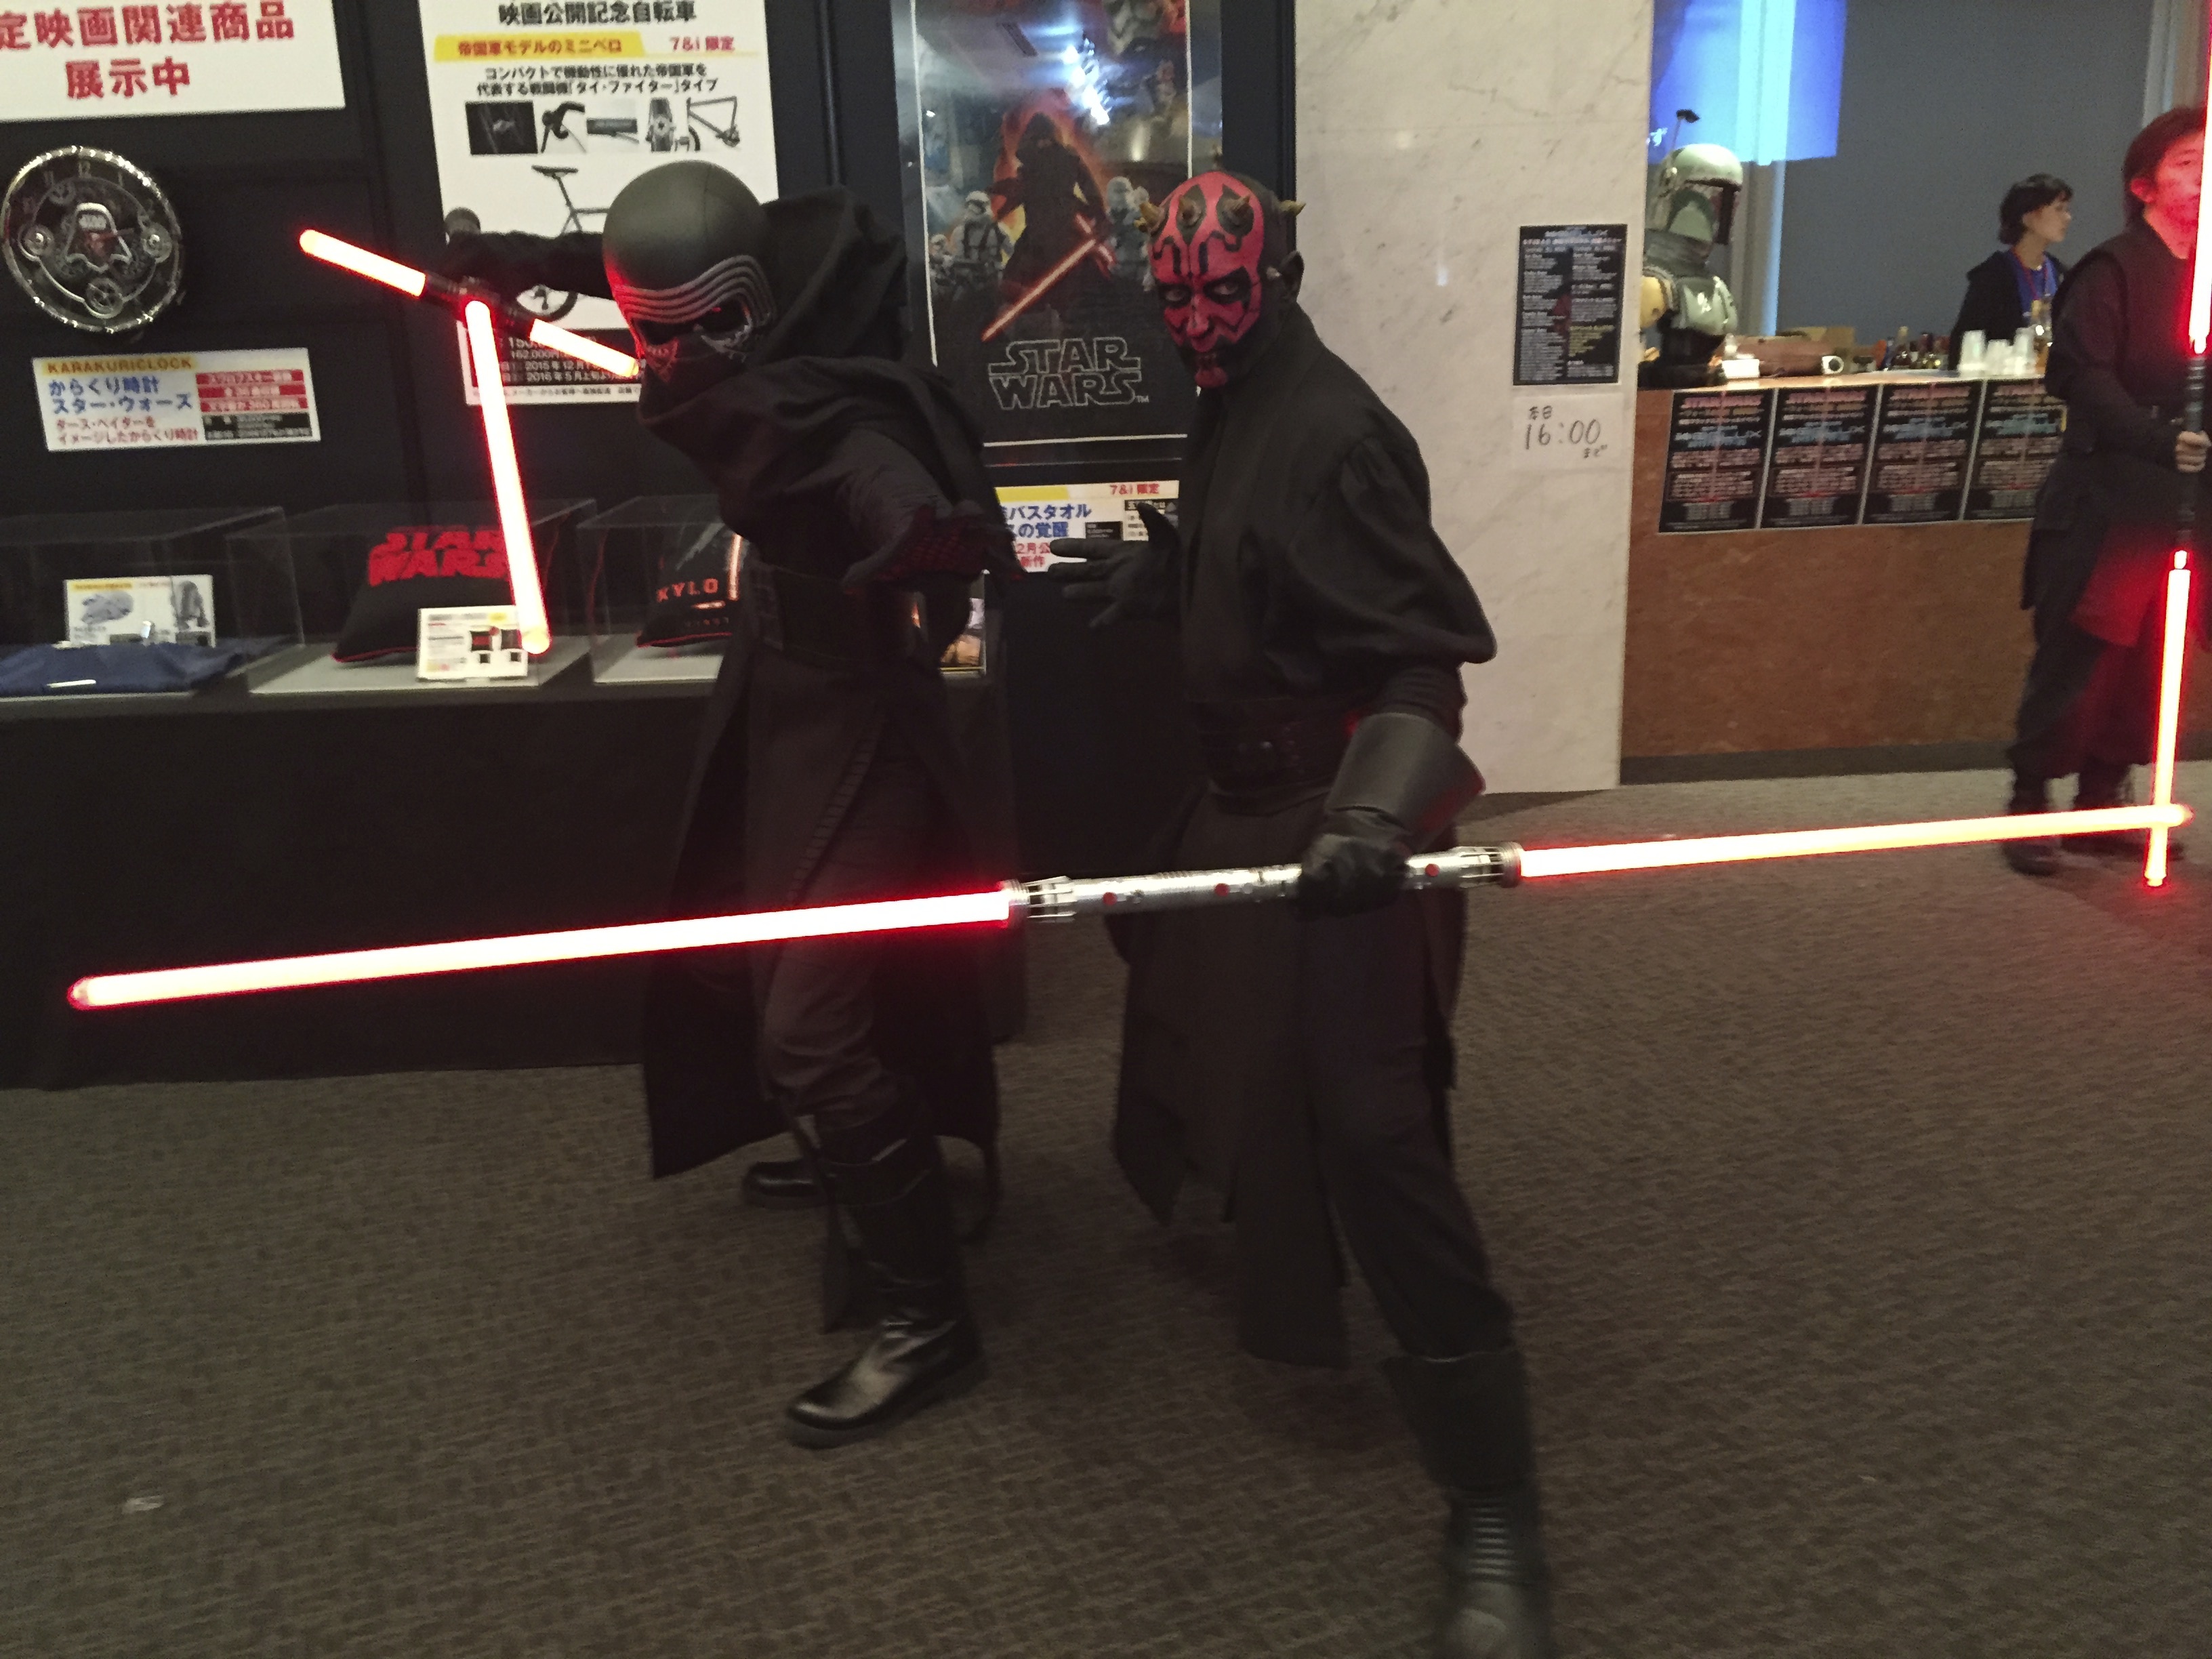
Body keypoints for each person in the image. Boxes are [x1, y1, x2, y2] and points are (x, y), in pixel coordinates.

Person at [1048, 171, 1553, 1659]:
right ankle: (1247, 1221)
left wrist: (1372, 818)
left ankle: (1496, 1510)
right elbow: (1275, 577)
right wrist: (1169, 574)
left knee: (1375, 1129)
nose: (1198, 320)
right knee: (1189, 1010)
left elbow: (1422, 662)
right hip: (1240, 803)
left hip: (1332, 817)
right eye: (1176, 298)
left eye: (1223, 293)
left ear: (1276, 277)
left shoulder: (1333, 431)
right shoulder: (1235, 399)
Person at [440, 163, 1020, 1445]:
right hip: (779, 684)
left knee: (810, 1025)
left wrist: (926, 540)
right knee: (747, 952)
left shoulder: (827, 407)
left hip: (862, 713)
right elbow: (645, 274)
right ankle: (857, 1161)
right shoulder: (770, 284)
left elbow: (885, 477)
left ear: (744, 314)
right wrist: (522, 258)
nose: (659, 359)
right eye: (648, 330)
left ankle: (929, 1318)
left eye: (682, 333)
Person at [2004, 110, 2209, 874]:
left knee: (2151, 665)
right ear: (2144, 185)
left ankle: (2101, 803)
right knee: (2080, 661)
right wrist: (2157, 439)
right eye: (2189, 163)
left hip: (2183, 507)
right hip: (2107, 499)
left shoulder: (2206, 273)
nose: (2206, 177)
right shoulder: (2112, 269)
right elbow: (2079, 375)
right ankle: (2029, 805)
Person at [1948, 173, 2072, 366]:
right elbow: (1963, 347)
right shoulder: (1992, 277)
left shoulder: (2063, 275)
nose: (2068, 218)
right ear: (2029, 218)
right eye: (2059, 209)